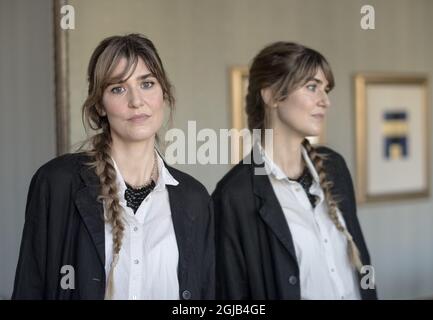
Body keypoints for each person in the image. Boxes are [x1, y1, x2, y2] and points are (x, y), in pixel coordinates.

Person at [12, 34, 214, 300]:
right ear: (100, 105)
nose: (136, 101)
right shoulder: (56, 183)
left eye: (147, 84)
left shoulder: (195, 198)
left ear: (164, 94)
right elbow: (30, 288)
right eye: (118, 88)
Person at [213, 42, 377, 300]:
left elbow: (362, 270)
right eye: (312, 87)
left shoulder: (335, 168)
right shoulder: (234, 194)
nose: (325, 101)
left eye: (326, 89)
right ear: (271, 96)